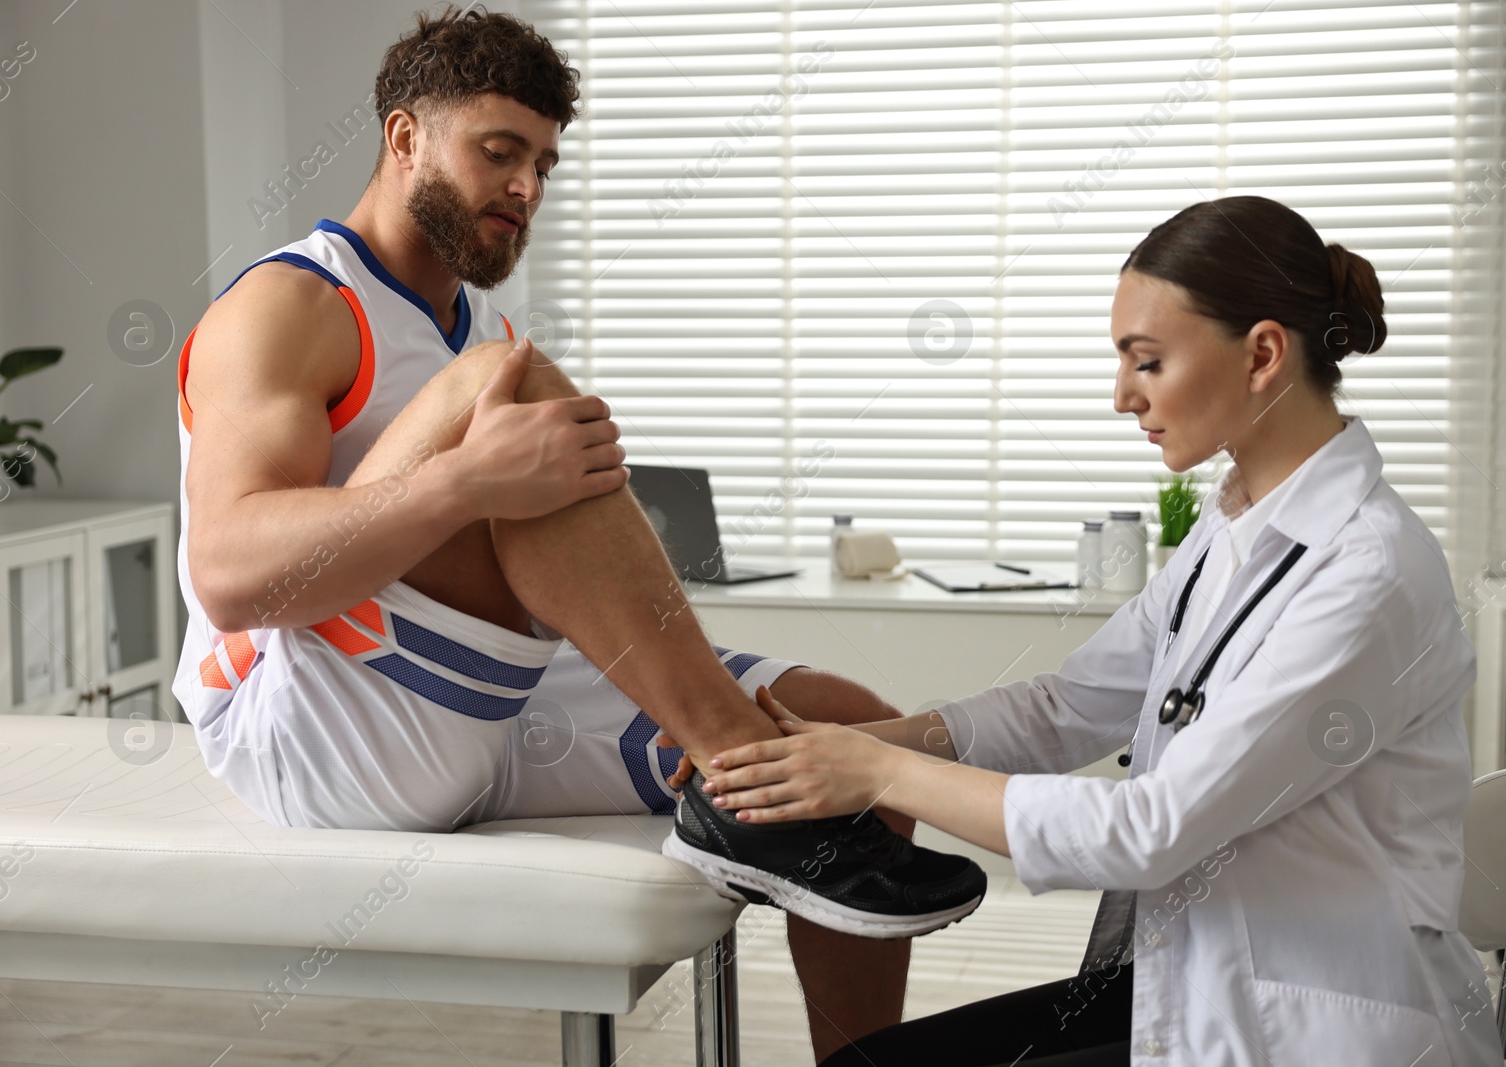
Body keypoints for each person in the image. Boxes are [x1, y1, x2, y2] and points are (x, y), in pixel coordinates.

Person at [172, 5, 983, 1060]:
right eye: (498, 152)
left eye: (544, 164)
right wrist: (467, 478)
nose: (526, 190)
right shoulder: (292, 305)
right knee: (502, 391)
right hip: (308, 725)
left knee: (847, 735)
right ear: (404, 138)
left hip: (488, 695)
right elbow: (230, 574)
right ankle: (734, 767)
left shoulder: (480, 323)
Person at [694, 196, 1506, 1066]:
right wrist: (842, 740)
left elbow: (1151, 828)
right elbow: (1069, 704)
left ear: (1264, 354)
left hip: (1316, 1026)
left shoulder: (1366, 571)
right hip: (1205, 978)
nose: (1122, 396)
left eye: (1147, 362)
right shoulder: (1231, 530)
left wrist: (883, 771)